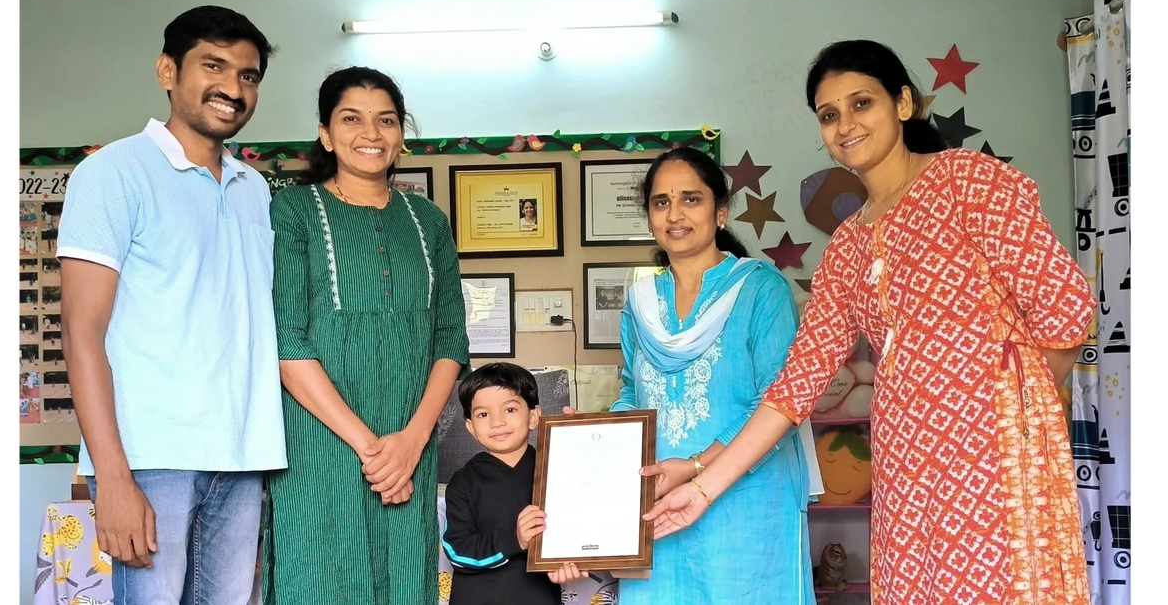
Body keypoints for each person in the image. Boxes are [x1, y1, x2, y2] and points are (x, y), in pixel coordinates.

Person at [643, 40, 1096, 605]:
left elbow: (1065, 309)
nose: (846, 125)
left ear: (903, 103)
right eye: (829, 114)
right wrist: (704, 488)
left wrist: (1011, 407)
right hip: (903, 456)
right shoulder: (848, 244)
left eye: (862, 103)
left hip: (994, 448)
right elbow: (796, 384)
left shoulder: (969, 182)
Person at [56, 5, 284, 605]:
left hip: (243, 457)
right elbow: (81, 333)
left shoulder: (255, 190)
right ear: (167, 70)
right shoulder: (111, 173)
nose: (233, 88)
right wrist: (113, 476)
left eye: (248, 75)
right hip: (149, 459)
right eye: (214, 66)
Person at [567, 146, 820, 604]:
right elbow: (633, 391)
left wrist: (698, 466)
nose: (674, 214)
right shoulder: (640, 301)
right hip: (660, 496)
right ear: (649, 218)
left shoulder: (760, 288)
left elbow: (779, 400)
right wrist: (595, 439)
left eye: (691, 199)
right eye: (661, 202)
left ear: (720, 212)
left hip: (747, 497)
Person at [263, 66, 471, 605]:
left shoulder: (428, 220)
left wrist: (412, 442)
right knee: (320, 583)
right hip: (319, 449)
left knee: (404, 581)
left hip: (409, 447)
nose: (371, 134)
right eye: (352, 119)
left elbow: (450, 339)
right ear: (326, 134)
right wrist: (373, 450)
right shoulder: (292, 210)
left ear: (401, 134)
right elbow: (286, 340)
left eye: (386, 120)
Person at [440, 363, 587, 605]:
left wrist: (568, 563)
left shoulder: (558, 472)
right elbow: (457, 550)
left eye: (509, 409)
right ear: (471, 427)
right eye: (483, 414)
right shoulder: (464, 481)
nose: (497, 422)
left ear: (533, 417)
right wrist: (515, 540)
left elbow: (577, 532)